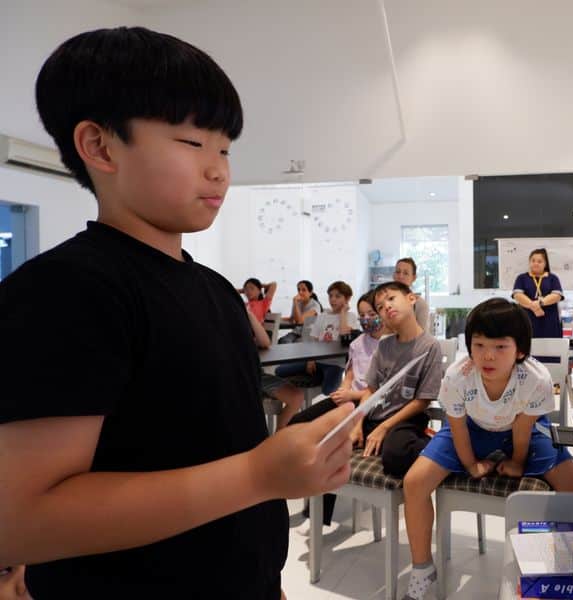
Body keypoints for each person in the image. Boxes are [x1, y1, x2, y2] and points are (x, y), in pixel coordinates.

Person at [0, 27, 356, 600]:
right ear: (100, 146)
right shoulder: (67, 290)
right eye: (193, 143)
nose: (219, 170)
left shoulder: (213, 289)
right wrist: (260, 475)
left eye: (225, 149)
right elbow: (20, 518)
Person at [401, 298, 573, 600]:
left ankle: (571, 569)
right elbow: (456, 428)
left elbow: (523, 429)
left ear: (520, 350)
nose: (488, 356)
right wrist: (471, 464)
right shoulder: (458, 377)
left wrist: (516, 461)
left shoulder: (535, 379)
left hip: (520, 429)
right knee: (414, 482)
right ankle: (422, 568)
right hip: (471, 428)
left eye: (500, 347)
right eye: (479, 345)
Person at [288, 281, 443, 528]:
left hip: (406, 418)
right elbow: (370, 390)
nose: (387, 308)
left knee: (395, 456)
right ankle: (318, 513)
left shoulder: (430, 346)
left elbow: (422, 400)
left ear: (411, 299)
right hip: (372, 413)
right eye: (380, 306)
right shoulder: (384, 345)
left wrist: (383, 428)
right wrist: (357, 422)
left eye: (392, 299)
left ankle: (433, 442)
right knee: (329, 441)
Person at [295, 290, 391, 533]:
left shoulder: (392, 345)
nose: (367, 319)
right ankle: (302, 489)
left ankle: (319, 517)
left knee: (331, 440)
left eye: (372, 313)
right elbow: (350, 374)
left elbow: (385, 391)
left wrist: (353, 396)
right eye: (362, 315)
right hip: (348, 400)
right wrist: (342, 391)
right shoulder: (358, 343)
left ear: (382, 311)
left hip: (372, 405)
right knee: (298, 422)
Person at [274, 280, 360, 395]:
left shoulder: (351, 316)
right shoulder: (323, 316)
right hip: (317, 361)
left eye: (337, 296)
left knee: (328, 391)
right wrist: (311, 360)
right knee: (279, 370)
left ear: (347, 298)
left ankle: (322, 376)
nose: (333, 299)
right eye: (330, 296)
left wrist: (343, 313)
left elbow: (345, 334)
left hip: (335, 363)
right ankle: (318, 375)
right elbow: (313, 340)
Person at [512, 248, 564, 339]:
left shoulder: (552, 278)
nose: (536, 263)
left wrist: (540, 302)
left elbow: (557, 296)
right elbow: (518, 295)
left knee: (550, 350)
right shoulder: (522, 278)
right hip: (527, 320)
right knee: (527, 348)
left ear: (545, 264)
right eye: (533, 261)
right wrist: (534, 307)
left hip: (549, 320)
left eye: (539, 261)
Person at [278, 279, 322, 344]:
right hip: (297, 333)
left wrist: (295, 302)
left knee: (287, 344)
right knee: (282, 341)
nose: (300, 292)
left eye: (303, 290)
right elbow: (292, 319)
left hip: (308, 335)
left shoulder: (315, 305)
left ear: (310, 292)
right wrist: (277, 319)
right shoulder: (298, 302)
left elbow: (300, 321)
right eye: (298, 290)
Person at [394, 257, 430, 331]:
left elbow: (422, 336)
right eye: (398, 272)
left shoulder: (420, 304)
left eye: (406, 273)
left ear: (414, 278)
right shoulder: (385, 301)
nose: (400, 276)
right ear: (393, 276)